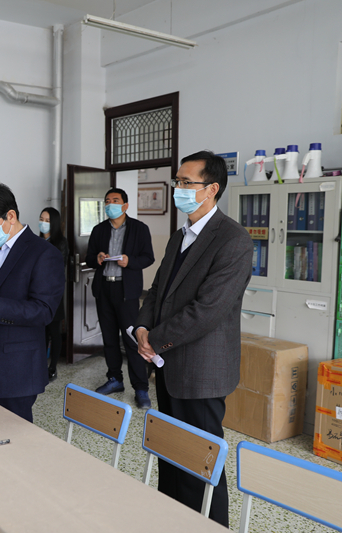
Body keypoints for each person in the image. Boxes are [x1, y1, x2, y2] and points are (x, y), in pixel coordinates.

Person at [134, 151, 252, 527]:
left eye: (187, 182)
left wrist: (155, 340)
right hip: (168, 366)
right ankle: (173, 521)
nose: (179, 189)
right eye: (177, 182)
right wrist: (141, 329)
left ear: (211, 189)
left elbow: (208, 310)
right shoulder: (180, 235)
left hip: (201, 371)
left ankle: (211, 526)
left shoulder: (233, 240)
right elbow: (158, 290)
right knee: (170, 454)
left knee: (201, 464)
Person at [0, 181, 64, 422]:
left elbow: (43, 311)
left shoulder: (44, 253)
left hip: (14, 368)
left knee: (12, 436)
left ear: (11, 216)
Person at [85, 188, 154, 408]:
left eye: (115, 200)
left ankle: (141, 388)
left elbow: (148, 258)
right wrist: (97, 258)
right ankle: (115, 379)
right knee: (109, 339)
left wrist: (130, 261)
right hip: (104, 289)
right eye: (107, 201)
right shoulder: (98, 230)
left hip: (127, 292)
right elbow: (89, 257)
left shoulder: (139, 229)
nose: (110, 204)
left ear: (125, 205)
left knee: (132, 340)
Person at [38, 207, 68, 382]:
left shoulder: (60, 243)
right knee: (41, 332)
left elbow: (57, 268)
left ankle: (53, 367)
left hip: (53, 294)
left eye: (47, 220)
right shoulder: (36, 240)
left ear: (54, 223)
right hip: (36, 294)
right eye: (41, 219)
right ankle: (40, 365)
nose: (43, 223)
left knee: (54, 331)